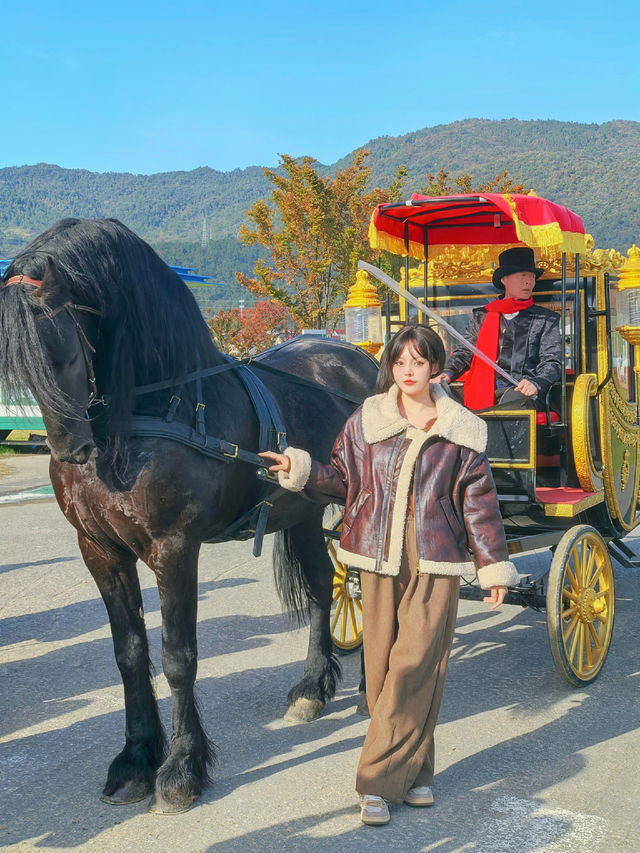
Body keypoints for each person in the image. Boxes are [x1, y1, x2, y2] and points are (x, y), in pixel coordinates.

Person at [259, 324, 518, 826]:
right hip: (375, 555)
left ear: (436, 368)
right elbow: (341, 479)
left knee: (415, 667)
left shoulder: (462, 429)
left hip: (434, 557)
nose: (407, 372)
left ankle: (375, 784)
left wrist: (492, 566)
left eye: (418, 363)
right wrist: (300, 469)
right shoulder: (367, 419)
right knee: (378, 674)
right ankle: (418, 772)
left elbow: (479, 505)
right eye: (400, 363)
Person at [441, 246, 562, 411]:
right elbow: (465, 351)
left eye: (532, 277)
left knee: (513, 400)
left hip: (522, 392)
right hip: (482, 388)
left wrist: (535, 383)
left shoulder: (546, 319)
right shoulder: (482, 316)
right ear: (504, 279)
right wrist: (447, 373)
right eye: (522, 276)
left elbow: (552, 362)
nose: (528, 281)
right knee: (440, 394)